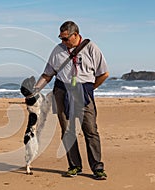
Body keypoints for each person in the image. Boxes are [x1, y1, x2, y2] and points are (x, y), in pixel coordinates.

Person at [33, 21, 109, 180]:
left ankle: (97, 167)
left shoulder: (91, 48)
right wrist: (34, 91)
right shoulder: (57, 50)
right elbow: (48, 74)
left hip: (83, 92)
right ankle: (75, 166)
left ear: (76, 35)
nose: (63, 42)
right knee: (68, 131)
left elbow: (103, 73)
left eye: (66, 38)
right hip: (62, 91)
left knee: (90, 130)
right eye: (61, 38)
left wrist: (89, 89)